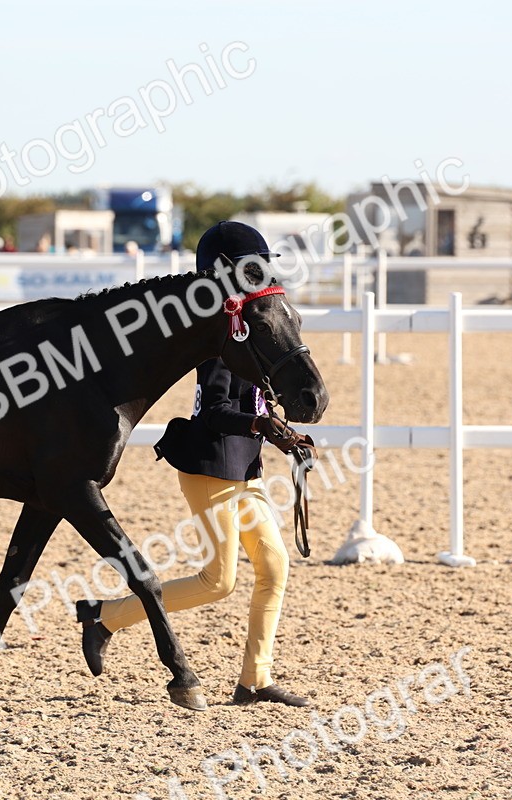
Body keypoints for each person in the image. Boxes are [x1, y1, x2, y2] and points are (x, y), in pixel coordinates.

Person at [75, 221, 310, 707]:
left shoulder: (255, 330)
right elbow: (216, 410)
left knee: (274, 567)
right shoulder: (223, 342)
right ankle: (105, 617)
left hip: (246, 469)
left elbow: (259, 407)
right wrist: (262, 428)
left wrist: (285, 436)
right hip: (211, 467)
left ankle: (254, 681)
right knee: (217, 582)